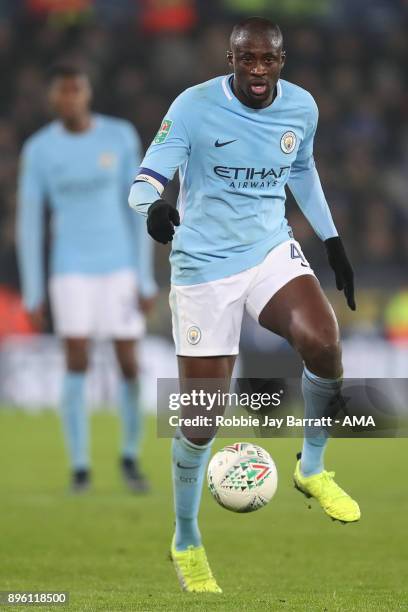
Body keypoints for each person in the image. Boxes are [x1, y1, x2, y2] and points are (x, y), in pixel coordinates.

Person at [129, 17, 360, 593]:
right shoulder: (192, 106)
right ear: (230, 59)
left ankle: (311, 468)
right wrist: (154, 209)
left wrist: (331, 242)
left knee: (324, 341)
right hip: (204, 267)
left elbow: (301, 170)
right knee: (202, 421)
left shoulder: (301, 107)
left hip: (267, 248)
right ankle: (186, 538)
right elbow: (145, 179)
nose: (258, 71)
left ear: (282, 60)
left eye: (269, 60)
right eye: (247, 59)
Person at [17, 64, 157, 493]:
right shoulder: (40, 150)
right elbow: (29, 221)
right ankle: (80, 466)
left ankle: (130, 457)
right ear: (53, 99)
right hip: (69, 267)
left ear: (87, 95)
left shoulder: (119, 136)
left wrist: (145, 276)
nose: (69, 99)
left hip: (118, 267)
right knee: (75, 359)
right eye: (62, 93)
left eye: (76, 91)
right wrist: (34, 289)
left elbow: (138, 206)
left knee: (128, 362)